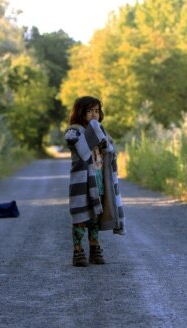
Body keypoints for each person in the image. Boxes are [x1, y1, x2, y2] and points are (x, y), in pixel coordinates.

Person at [64, 96, 126, 267]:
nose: (94, 115)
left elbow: (110, 150)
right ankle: (78, 251)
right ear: (80, 112)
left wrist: (102, 137)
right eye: (89, 111)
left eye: (97, 111)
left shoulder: (101, 131)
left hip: (98, 180)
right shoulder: (73, 131)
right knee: (80, 217)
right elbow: (82, 151)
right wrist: (95, 130)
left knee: (94, 217)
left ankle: (94, 249)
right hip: (81, 183)